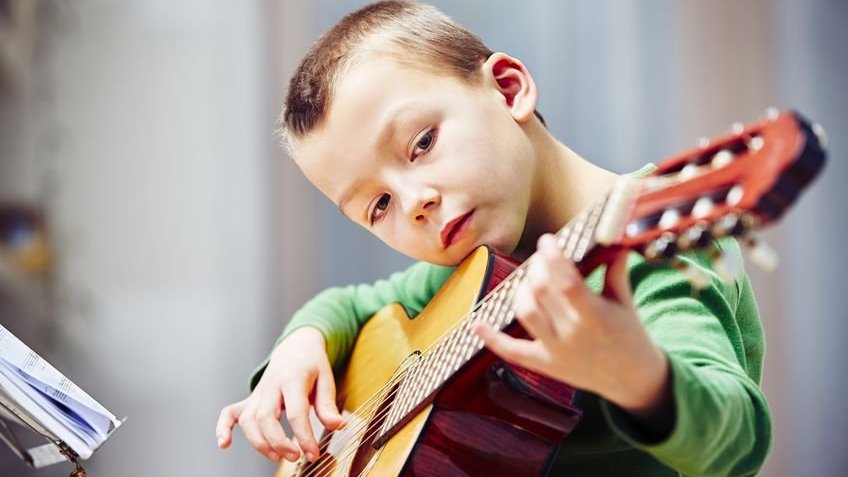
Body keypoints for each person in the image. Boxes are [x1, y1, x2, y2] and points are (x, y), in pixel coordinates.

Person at [215, 1, 772, 475]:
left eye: (422, 142)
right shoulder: (468, 270)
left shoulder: (655, 251)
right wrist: (299, 345)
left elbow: (738, 437)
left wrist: (641, 377)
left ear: (508, 90)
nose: (414, 204)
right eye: (378, 205)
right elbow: (352, 303)